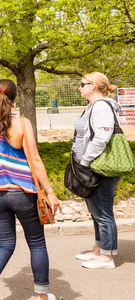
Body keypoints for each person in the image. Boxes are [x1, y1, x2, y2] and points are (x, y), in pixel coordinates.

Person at [0, 79, 60, 300]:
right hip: (21, 192)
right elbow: (34, 160)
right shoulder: (22, 123)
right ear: (14, 99)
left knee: (5, 244)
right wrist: (49, 191)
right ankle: (43, 296)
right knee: (36, 243)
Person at [72, 72, 122, 269]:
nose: (80, 87)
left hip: (100, 166)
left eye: (83, 84)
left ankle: (108, 257)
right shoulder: (93, 106)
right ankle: (99, 249)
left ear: (93, 86)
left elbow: (102, 137)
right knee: (96, 211)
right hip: (93, 165)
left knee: (103, 211)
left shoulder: (101, 106)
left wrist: (85, 160)